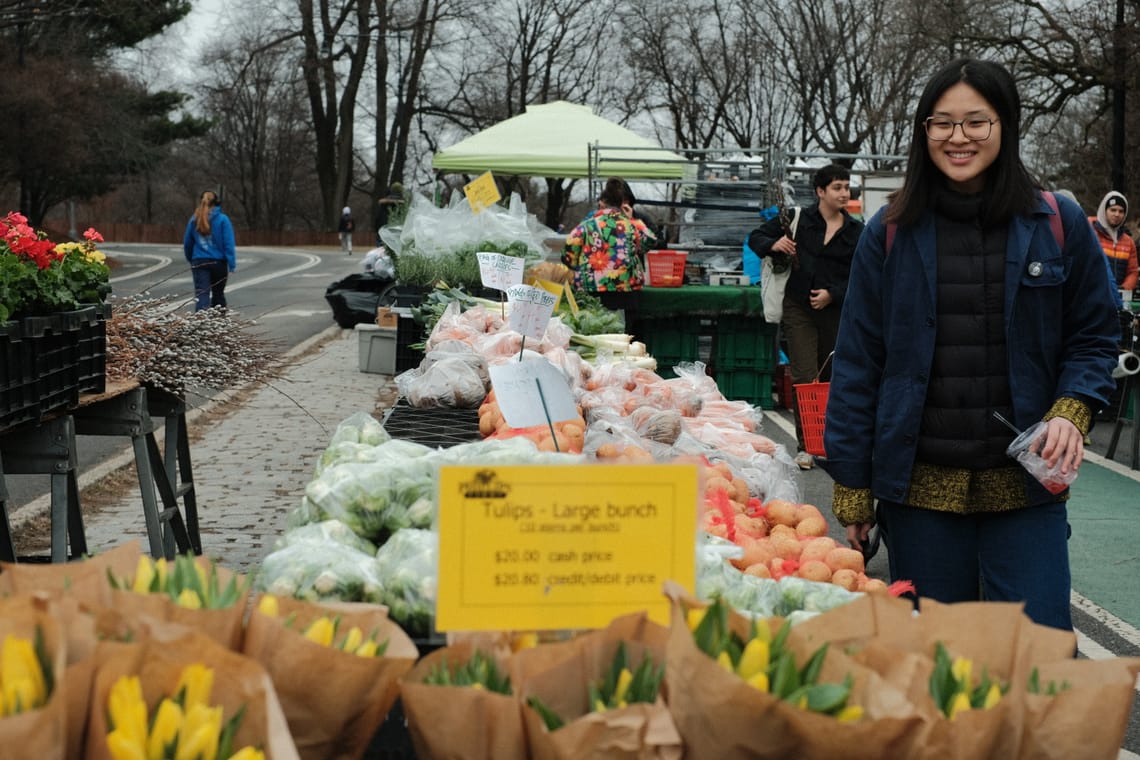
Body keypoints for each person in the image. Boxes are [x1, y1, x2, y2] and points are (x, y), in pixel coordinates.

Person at [820, 58, 1120, 631]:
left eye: (976, 122)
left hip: (1027, 492)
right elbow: (859, 363)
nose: (958, 138)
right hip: (919, 494)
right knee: (935, 669)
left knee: (1042, 660)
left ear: (1004, 126)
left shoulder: (1058, 221)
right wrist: (853, 485)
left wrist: (1072, 409)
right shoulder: (889, 233)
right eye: (942, 123)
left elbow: (1094, 335)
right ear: (924, 131)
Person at [746, 164, 864, 470]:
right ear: (820, 192)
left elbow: (862, 273)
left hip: (835, 312)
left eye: (846, 186)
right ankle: (807, 445)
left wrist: (833, 294)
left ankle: (831, 440)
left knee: (831, 378)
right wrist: (774, 244)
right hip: (798, 307)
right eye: (837, 187)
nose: (843, 193)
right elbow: (755, 238)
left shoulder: (856, 230)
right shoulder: (798, 218)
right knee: (804, 375)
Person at [562, 176, 653, 292]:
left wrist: (582, 267)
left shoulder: (586, 226)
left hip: (592, 289)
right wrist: (632, 219)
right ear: (621, 204)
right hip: (627, 289)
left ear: (601, 202)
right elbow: (650, 241)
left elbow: (568, 256)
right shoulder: (631, 226)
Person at [182, 190, 236, 312]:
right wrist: (231, 264)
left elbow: (188, 243)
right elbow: (228, 243)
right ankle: (219, 323)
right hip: (219, 263)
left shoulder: (194, 219)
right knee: (218, 294)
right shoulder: (223, 219)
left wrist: (191, 258)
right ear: (217, 203)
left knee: (202, 294)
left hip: (199, 261)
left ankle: (201, 324)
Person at [1089, 191, 1138, 298]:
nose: (1117, 214)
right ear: (1104, 210)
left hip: (1118, 298)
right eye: (1113, 210)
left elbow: (1133, 272)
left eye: (1121, 211)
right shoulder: (1091, 233)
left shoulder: (1129, 242)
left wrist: (1123, 288)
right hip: (1093, 294)